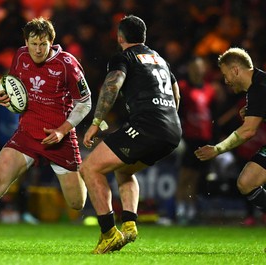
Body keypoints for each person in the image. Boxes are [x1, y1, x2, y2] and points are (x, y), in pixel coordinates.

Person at [0, 17, 91, 249]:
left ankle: (92, 182)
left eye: (43, 44)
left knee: (76, 203)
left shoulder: (67, 64)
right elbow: (12, 86)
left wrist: (63, 131)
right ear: (26, 41)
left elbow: (85, 101)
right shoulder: (21, 56)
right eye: (34, 44)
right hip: (27, 134)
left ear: (52, 42)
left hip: (57, 139)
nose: (38, 49)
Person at [79, 15, 182, 254]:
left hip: (148, 125)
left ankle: (108, 233)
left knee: (90, 168)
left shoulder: (124, 56)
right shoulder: (159, 59)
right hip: (172, 130)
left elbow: (112, 85)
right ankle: (129, 223)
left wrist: (97, 122)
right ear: (144, 37)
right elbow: (176, 94)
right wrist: (167, 119)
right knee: (124, 169)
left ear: (120, 37)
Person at [195, 47, 266, 226]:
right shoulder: (258, 86)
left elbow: (248, 130)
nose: (226, 81)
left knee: (247, 181)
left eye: (226, 75)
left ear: (235, 70)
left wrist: (217, 149)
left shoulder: (259, 87)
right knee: (247, 181)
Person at [175, 56, 217, 225]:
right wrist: (179, 136)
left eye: (200, 67)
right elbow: (178, 112)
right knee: (185, 176)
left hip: (204, 138)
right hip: (189, 138)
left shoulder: (209, 90)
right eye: (195, 67)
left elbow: (213, 116)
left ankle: (191, 211)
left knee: (196, 177)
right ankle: (179, 211)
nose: (198, 71)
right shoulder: (183, 88)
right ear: (190, 69)